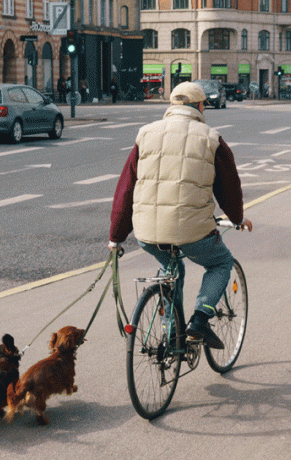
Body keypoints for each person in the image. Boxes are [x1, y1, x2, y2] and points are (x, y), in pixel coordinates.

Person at [108, 82, 253, 349]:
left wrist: (116, 236)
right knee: (221, 263)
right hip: (192, 232)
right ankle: (199, 321)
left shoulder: (145, 134)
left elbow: (125, 189)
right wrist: (236, 218)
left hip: (147, 232)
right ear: (200, 106)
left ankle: (173, 337)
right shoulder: (211, 138)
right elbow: (229, 188)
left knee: (170, 268)